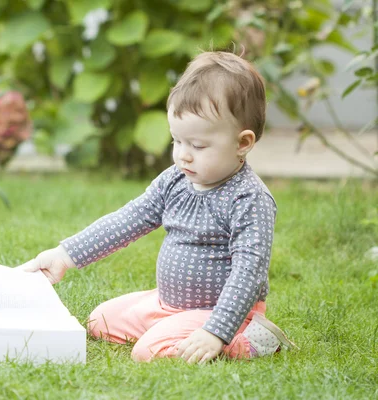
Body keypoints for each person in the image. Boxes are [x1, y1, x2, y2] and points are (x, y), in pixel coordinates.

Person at [20, 51, 297, 364]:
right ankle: (171, 325)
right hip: (168, 304)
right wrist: (65, 256)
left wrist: (216, 331)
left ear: (242, 143)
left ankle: (250, 340)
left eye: (198, 146)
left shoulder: (249, 200)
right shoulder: (176, 180)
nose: (183, 156)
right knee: (100, 322)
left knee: (148, 352)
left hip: (220, 312)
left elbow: (249, 273)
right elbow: (127, 220)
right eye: (177, 141)